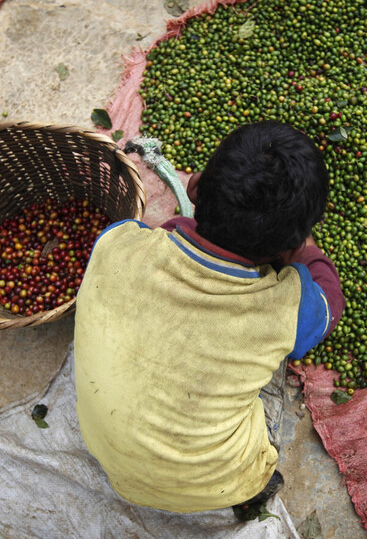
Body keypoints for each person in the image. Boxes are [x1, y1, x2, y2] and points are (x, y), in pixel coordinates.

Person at [74, 120, 345, 520]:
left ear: (195, 188)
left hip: (105, 449)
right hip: (213, 483)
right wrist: (306, 251)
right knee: (263, 391)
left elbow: (164, 232)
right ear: (286, 249)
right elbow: (329, 302)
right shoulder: (288, 307)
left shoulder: (117, 242)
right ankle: (251, 493)